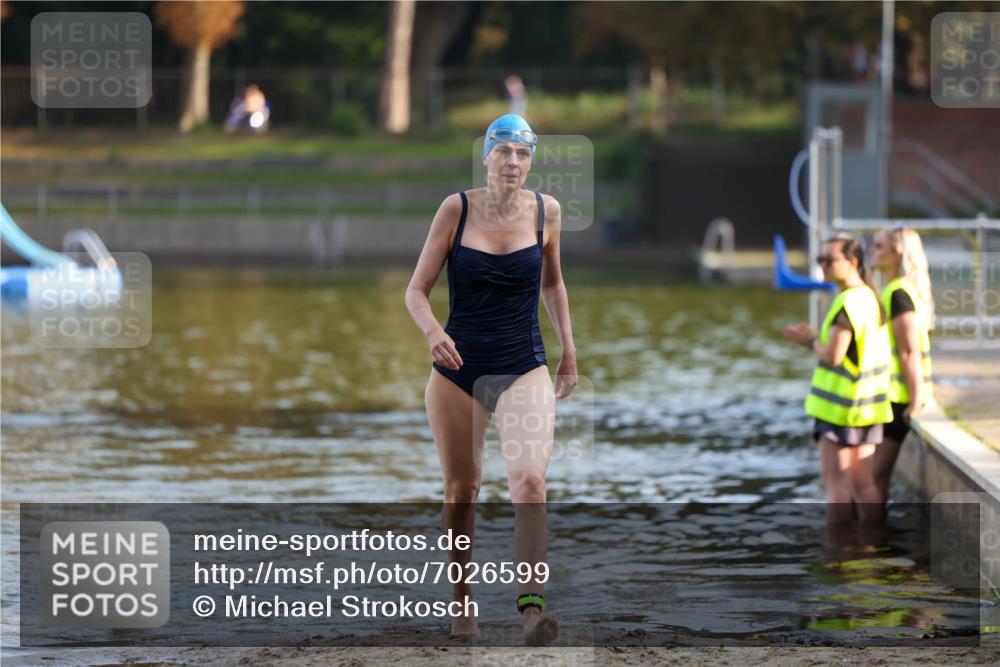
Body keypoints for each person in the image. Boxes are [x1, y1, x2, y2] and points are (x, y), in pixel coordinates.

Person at [404, 113, 578, 644]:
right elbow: (415, 291)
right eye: (503, 152)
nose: (513, 162)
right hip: (458, 369)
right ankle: (463, 608)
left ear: (531, 161)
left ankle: (531, 610)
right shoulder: (456, 209)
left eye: (523, 154)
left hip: (524, 363)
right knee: (463, 490)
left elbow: (553, 285)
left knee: (529, 481)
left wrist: (568, 348)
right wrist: (433, 332)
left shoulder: (547, 212)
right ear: (486, 157)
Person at [783, 235, 892, 523]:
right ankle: (873, 546)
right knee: (863, 484)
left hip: (840, 410)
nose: (823, 266)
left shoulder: (847, 303)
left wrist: (809, 340)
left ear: (853, 262)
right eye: (820, 260)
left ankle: (839, 556)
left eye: (829, 260)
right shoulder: (869, 296)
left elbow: (833, 355)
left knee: (838, 487)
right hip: (868, 407)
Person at [870, 227, 934, 499]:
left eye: (878, 246)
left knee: (873, 478)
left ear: (897, 255)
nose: (872, 251)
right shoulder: (897, 290)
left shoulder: (898, 294)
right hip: (896, 398)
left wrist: (915, 400)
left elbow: (909, 350)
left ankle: (869, 538)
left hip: (898, 400)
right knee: (875, 479)